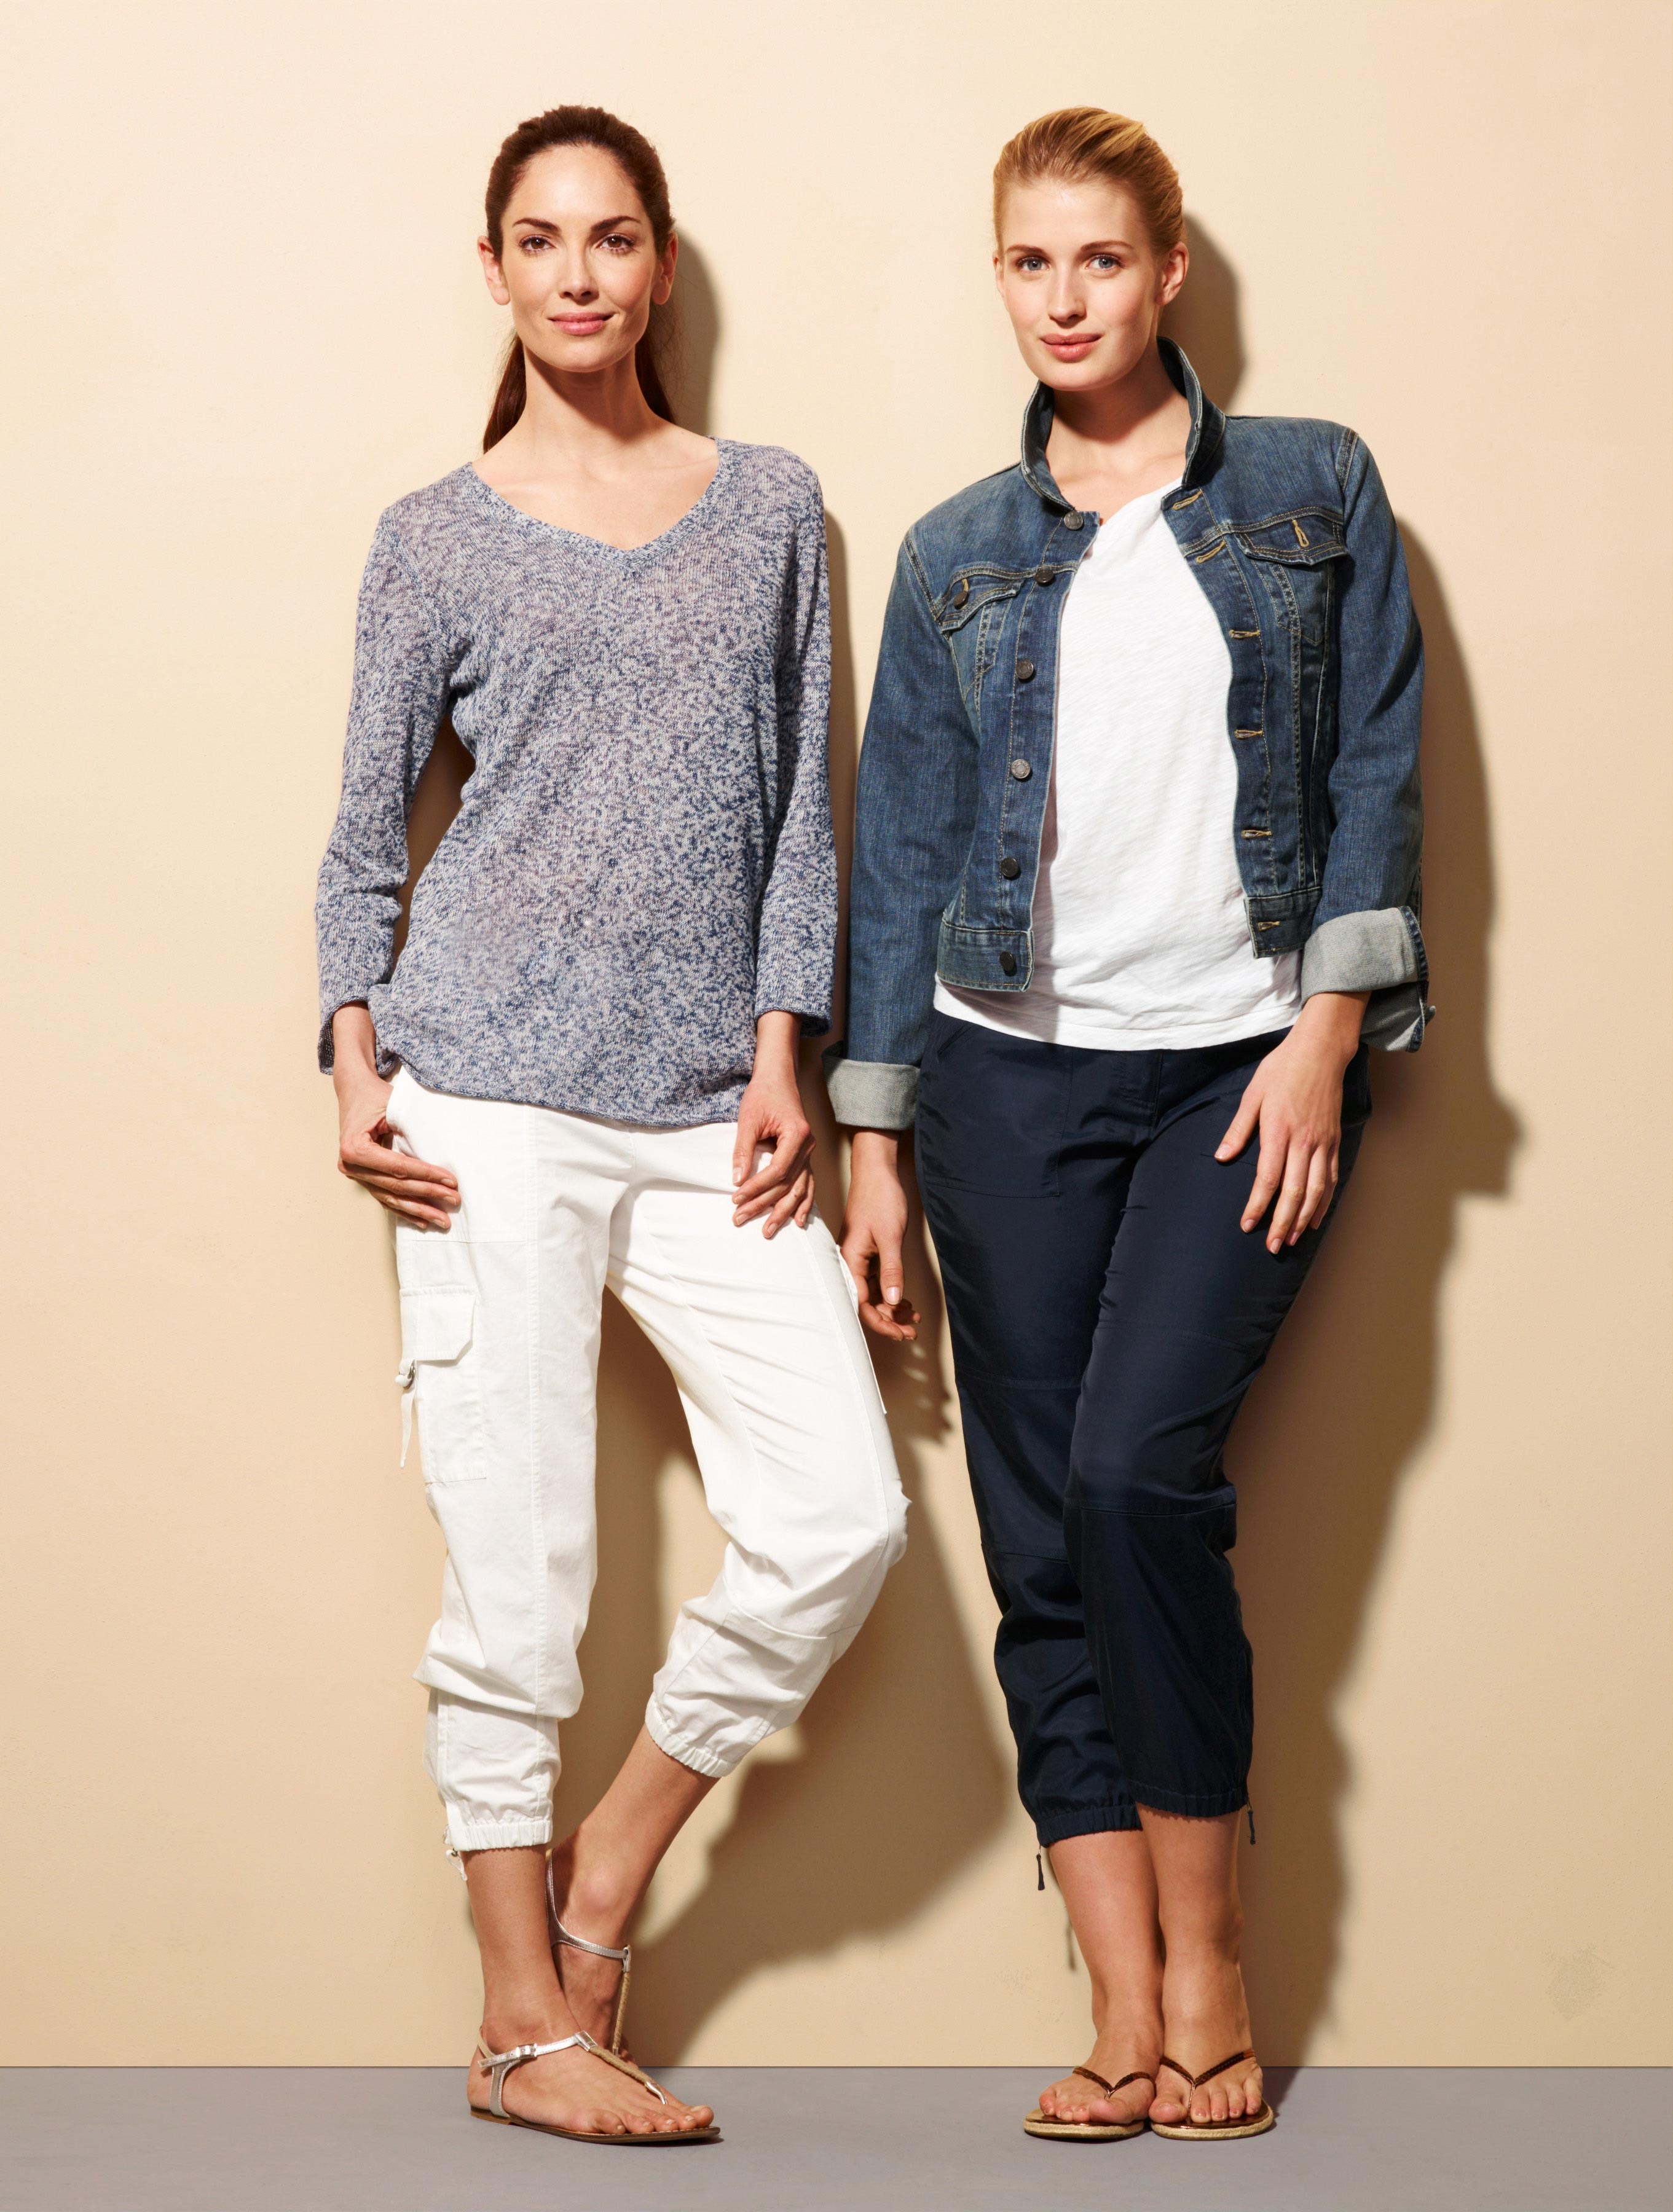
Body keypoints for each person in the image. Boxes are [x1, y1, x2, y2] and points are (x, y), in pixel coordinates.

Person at [830, 106, 1425, 2144]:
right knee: (1034, 1533)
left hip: (1236, 1068)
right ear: (998, 277)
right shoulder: (955, 552)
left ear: (1168, 272)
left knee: (1130, 1475)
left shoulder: (1312, 490)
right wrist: (876, 1137)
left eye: (1099, 260)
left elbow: (1373, 764)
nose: (1063, 299)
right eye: (1028, 262)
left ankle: (1212, 1963)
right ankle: (1117, 2004)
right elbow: (906, 849)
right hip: (1003, 1079)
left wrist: (1325, 1035)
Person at [317, 104, 907, 2147]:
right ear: (493, 270)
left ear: (659, 264)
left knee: (839, 1516)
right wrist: (349, 1055)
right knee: (519, 1569)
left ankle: (602, 1875)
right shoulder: (433, 534)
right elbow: (364, 826)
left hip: (711, 1111)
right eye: (541, 239)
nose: (579, 273)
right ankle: (517, 2025)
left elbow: (805, 813)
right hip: (479, 1098)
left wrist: (787, 1056)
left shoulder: (770, 507)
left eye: (614, 237)